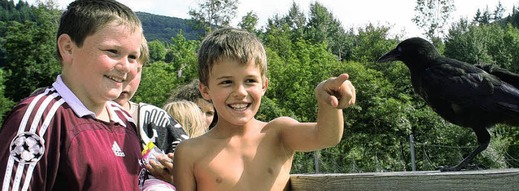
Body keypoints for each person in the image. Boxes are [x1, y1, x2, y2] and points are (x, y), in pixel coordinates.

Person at [173, 27, 356, 190]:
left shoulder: (278, 133)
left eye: (250, 81)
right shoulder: (189, 153)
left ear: (264, 85)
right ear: (205, 90)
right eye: (227, 82)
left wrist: (327, 100)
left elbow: (327, 137)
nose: (240, 92)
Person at [0, 0, 144, 190]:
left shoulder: (126, 121)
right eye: (112, 51)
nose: (126, 66)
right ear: (68, 47)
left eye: (132, 57)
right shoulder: (40, 118)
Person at [114, 37, 188, 191]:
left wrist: (179, 179)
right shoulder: (69, 117)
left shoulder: (156, 120)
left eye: (136, 70)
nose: (124, 78)